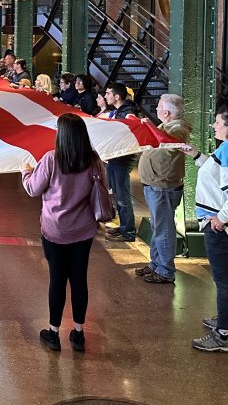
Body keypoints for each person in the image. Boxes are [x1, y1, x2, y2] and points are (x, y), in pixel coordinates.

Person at [22, 113, 103, 353]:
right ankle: (78, 333)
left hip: (55, 230)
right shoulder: (94, 161)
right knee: (79, 279)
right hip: (84, 229)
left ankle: (53, 332)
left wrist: (26, 171)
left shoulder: (51, 160)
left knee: (57, 280)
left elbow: (33, 190)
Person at [177, 108, 228, 352]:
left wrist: (221, 218)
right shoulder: (224, 149)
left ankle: (224, 334)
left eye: (218, 122)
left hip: (218, 224)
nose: (214, 126)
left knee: (223, 279)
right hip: (216, 219)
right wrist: (196, 155)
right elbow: (215, 172)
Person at [136, 94, 191, 284]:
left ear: (166, 112)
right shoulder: (166, 126)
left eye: (159, 106)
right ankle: (156, 263)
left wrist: (149, 126)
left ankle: (165, 270)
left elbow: (167, 143)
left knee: (164, 228)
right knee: (157, 226)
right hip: (155, 185)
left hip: (163, 187)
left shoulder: (178, 129)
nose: (156, 109)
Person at [103, 82, 140, 242]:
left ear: (117, 96)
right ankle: (124, 226)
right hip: (116, 157)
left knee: (122, 196)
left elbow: (131, 123)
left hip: (122, 158)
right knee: (118, 194)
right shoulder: (119, 111)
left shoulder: (127, 112)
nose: (106, 96)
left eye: (108, 93)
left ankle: (129, 231)